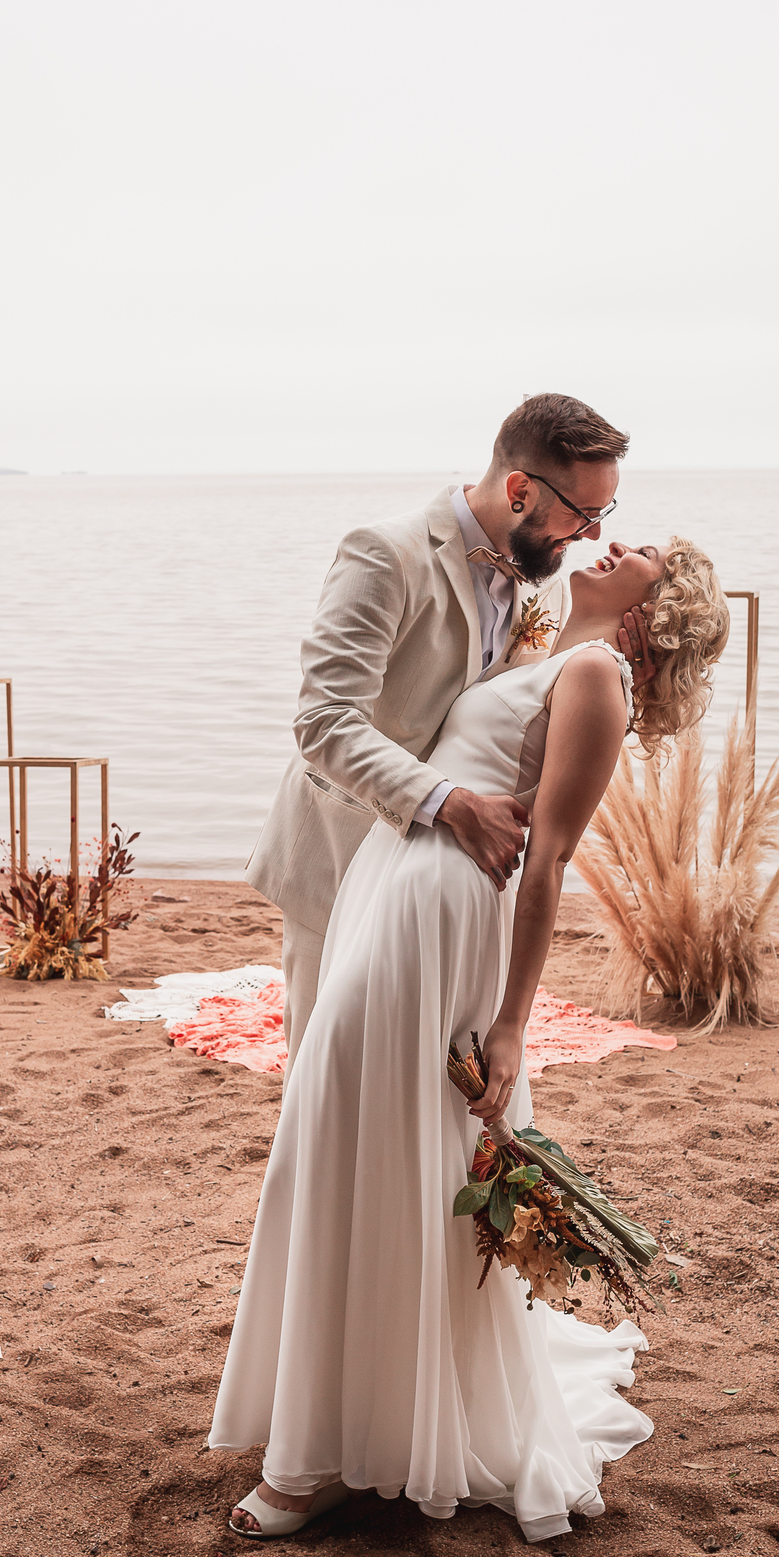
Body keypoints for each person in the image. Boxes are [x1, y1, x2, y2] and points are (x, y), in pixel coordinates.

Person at [211, 529, 730, 1542]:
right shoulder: (547, 648)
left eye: (640, 550)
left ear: (648, 609)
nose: (613, 540)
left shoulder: (596, 676)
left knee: (367, 1142)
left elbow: (546, 867)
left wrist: (510, 1027)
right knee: (339, 1139)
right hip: (390, 885)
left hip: (441, 913)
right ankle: (340, 1411)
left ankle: (318, 1460)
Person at [245, 393, 656, 1071]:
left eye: (602, 515)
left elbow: (526, 707)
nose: (589, 536)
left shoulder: (546, 585)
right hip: (344, 851)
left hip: (448, 885)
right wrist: (452, 804)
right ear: (520, 489)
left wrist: (622, 656)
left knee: (418, 1079)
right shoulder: (385, 554)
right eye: (582, 513)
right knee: (327, 1071)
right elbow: (323, 721)